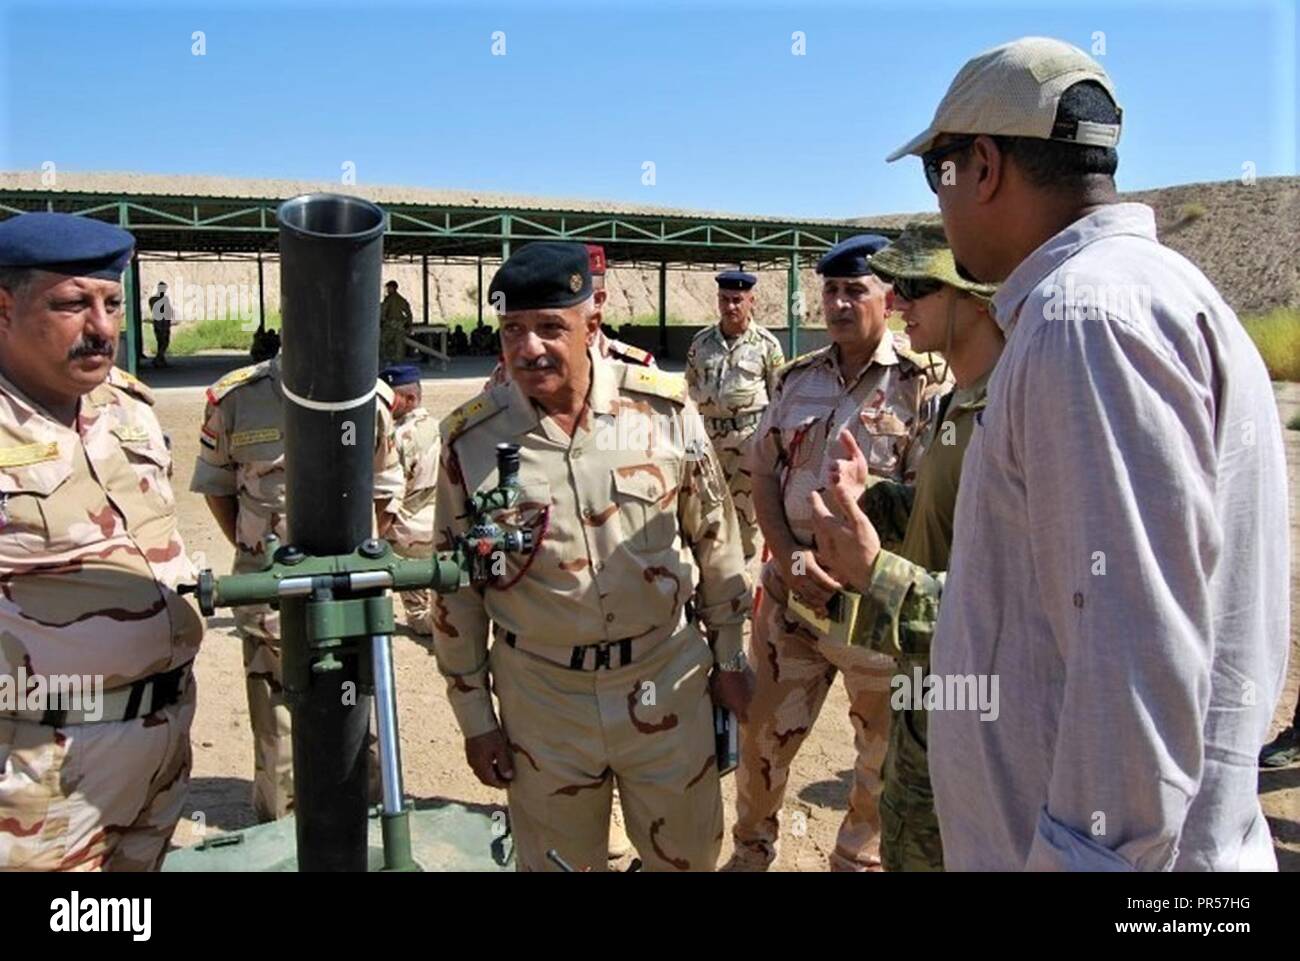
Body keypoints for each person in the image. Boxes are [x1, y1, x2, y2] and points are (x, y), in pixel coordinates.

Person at [879, 36, 1289, 869]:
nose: (941, 201)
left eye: (939, 173)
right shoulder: (1147, 293)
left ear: (983, 166)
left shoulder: (1084, 321)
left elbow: (1132, 660)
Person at [431, 241, 753, 872]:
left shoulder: (662, 413)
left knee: (687, 857)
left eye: (551, 328)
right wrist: (474, 715)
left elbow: (717, 538)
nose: (529, 349)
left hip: (665, 678)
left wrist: (732, 653)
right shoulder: (471, 441)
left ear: (592, 325)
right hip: (542, 700)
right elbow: (457, 589)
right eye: (513, 331)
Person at [728, 234, 946, 872]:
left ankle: (856, 860)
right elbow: (764, 475)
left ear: (888, 297)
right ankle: (750, 852)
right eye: (831, 290)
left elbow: (928, 509)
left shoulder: (922, 388)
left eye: (855, 290)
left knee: (878, 755)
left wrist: (857, 569)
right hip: (791, 603)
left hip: (872, 613)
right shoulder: (796, 380)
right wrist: (790, 556)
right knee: (763, 740)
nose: (840, 303)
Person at [0, 212, 204, 870]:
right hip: (40, 768)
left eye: (113, 302)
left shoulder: (129, 407)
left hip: (161, 747)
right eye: (72, 304)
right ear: (4, 308)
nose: (103, 327)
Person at [806, 222, 1000, 872]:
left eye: (917, 286)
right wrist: (876, 497)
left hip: (979, 711)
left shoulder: (1013, 413)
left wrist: (872, 570)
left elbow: (1010, 609)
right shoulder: (958, 405)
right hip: (927, 689)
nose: (898, 302)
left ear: (976, 295)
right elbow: (942, 522)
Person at [190, 350, 405, 822]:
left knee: (358, 713)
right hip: (270, 598)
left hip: (352, 593)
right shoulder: (239, 399)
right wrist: (257, 555)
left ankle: (361, 829)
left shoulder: (368, 399)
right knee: (279, 724)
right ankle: (281, 829)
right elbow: (218, 486)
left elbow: (386, 494)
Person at [684, 269, 786, 563]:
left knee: (745, 511)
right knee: (703, 506)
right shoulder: (701, 343)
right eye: (724, 299)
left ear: (751, 301)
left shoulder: (767, 345)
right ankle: (709, 568)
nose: (730, 307)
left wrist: (773, 449)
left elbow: (779, 400)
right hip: (707, 441)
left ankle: (740, 573)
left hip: (748, 441)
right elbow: (688, 391)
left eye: (737, 300)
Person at [483, 244, 653, 391]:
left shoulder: (632, 367)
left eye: (550, 327)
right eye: (513, 327)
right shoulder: (507, 369)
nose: (531, 350)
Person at [378, 363, 440, 638]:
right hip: (439, 527)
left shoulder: (397, 438)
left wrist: (373, 536)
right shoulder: (442, 428)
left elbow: (389, 494)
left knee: (420, 620)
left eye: (391, 398)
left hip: (407, 536)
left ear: (411, 399)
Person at [379, 279, 413, 365]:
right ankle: (397, 363)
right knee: (399, 346)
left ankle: (385, 361)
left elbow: (383, 312)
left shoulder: (389, 299)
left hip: (389, 325)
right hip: (400, 326)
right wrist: (409, 325)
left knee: (383, 343)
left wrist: (382, 321)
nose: (387, 290)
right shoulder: (401, 299)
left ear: (393, 288)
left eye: (389, 288)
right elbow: (408, 313)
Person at [148, 280, 174, 368]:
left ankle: (160, 358)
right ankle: (158, 359)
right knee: (162, 342)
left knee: (163, 342)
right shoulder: (155, 299)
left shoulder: (159, 299)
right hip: (160, 323)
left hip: (164, 323)